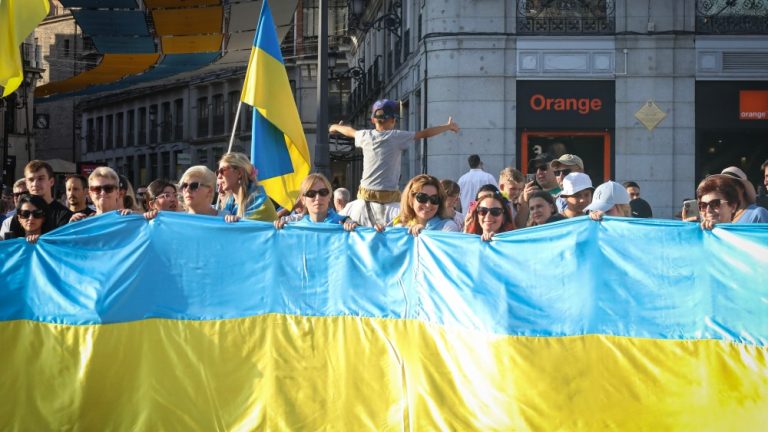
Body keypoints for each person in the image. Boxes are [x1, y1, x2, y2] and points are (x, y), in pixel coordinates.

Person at [329, 99, 459, 227]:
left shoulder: (364, 135)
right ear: (393, 120)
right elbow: (424, 133)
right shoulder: (396, 136)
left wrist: (335, 127)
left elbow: (349, 131)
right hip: (390, 197)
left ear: (373, 120)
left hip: (365, 195)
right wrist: (447, 126)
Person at [274, 173, 357, 231]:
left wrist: (353, 226)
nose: (318, 198)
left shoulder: (342, 222)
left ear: (329, 196)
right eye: (311, 194)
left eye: (323, 192)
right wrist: (278, 228)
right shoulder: (292, 224)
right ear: (303, 200)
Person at [10, 160, 72, 233]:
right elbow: (13, 242)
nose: (35, 184)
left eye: (40, 178)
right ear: (26, 184)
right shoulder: (20, 214)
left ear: (51, 181)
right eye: (31, 180)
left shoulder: (64, 215)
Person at [216, 152, 277, 223]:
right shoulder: (230, 203)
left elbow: (244, 229)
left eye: (222, 171)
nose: (219, 176)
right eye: (218, 172)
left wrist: (235, 221)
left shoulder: (260, 203)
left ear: (239, 173)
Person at [393, 174, 460, 236]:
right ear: (411, 199)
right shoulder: (401, 227)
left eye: (434, 199)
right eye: (422, 198)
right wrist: (382, 236)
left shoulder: (448, 227)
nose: (428, 204)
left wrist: (425, 234)